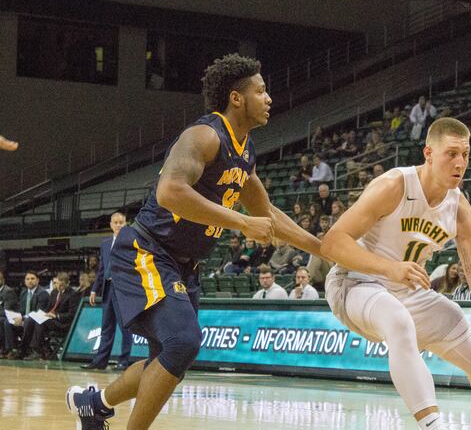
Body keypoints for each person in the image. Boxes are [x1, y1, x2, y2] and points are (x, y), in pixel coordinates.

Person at [66, 54, 323, 430]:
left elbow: (268, 216)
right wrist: (240, 222)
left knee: (171, 359)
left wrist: (321, 247)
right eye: (261, 91)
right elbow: (170, 191)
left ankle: (94, 403)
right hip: (148, 249)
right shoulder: (204, 135)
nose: (269, 98)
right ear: (237, 98)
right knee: (183, 343)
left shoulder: (245, 150)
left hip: (185, 264)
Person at [321, 117, 471, 430]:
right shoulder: (394, 186)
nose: (460, 163)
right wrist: (389, 267)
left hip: (405, 292)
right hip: (354, 284)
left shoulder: (460, 211)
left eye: (466, 154)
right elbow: (332, 242)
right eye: (452, 154)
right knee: (398, 320)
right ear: (428, 153)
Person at [82, 212, 133, 371]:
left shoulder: (131, 242)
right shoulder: (105, 244)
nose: (118, 225)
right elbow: (102, 269)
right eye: (115, 222)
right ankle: (100, 361)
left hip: (123, 290)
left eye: (121, 222)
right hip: (108, 288)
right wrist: (94, 290)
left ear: (126, 224)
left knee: (125, 327)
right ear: (110, 225)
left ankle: (123, 361)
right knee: (106, 327)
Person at [26, 272, 81, 360]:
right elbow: (48, 308)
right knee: (34, 320)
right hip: (51, 320)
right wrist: (43, 314)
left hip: (63, 323)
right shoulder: (54, 292)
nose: (59, 287)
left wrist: (57, 315)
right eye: (58, 284)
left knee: (42, 322)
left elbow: (72, 314)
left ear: (68, 283)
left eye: (62, 285)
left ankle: (37, 349)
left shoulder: (73, 295)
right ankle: (38, 349)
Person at [4, 271, 49, 359]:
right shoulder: (24, 293)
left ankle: (23, 350)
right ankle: (11, 349)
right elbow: (21, 310)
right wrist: (17, 316)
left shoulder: (42, 293)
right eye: (27, 279)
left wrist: (23, 318)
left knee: (28, 321)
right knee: (7, 322)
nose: (30, 281)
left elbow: (38, 312)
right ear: (24, 281)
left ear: (38, 280)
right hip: (25, 320)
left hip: (36, 322)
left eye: (32, 279)